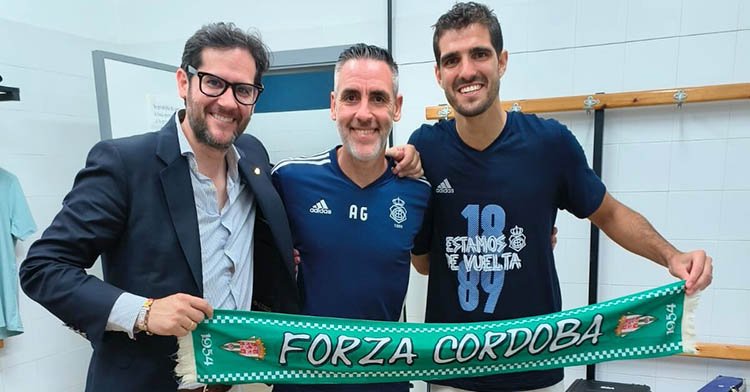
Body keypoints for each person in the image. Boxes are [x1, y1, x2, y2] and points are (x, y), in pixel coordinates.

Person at [18, 24, 421, 392]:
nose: (227, 102)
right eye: (213, 83)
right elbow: (43, 268)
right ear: (183, 81)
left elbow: (274, 251)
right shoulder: (125, 164)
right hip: (148, 382)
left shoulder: (255, 162)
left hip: (234, 381)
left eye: (243, 90)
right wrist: (144, 312)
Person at [408, 3, 714, 392]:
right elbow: (423, 264)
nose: (466, 70)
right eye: (452, 60)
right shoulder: (424, 150)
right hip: (452, 372)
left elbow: (610, 214)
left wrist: (672, 256)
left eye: (479, 54)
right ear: (438, 74)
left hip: (534, 367)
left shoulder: (549, 144)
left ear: (502, 62)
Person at [270, 44, 431, 392]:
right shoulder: (288, 180)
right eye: (351, 97)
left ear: (397, 108)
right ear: (333, 105)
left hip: (384, 382)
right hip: (301, 383)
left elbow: (429, 262)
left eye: (378, 98)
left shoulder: (419, 192)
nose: (364, 113)